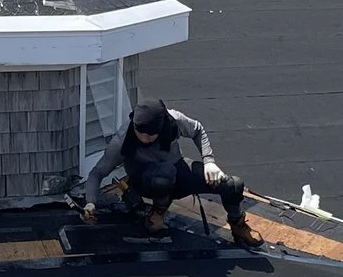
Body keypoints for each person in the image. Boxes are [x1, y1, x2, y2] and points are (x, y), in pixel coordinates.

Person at [80, 99, 264, 247]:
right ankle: (158, 210)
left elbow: (198, 129)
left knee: (233, 184)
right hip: (146, 181)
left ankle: (238, 225)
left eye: (150, 135)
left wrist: (209, 162)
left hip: (176, 170)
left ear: (161, 128)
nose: (145, 138)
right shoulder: (122, 140)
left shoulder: (173, 120)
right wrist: (90, 202)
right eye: (140, 133)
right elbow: (97, 173)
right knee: (164, 176)